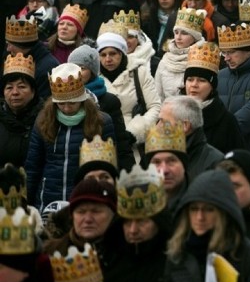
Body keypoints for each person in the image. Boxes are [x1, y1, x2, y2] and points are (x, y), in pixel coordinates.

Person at [25, 63, 115, 211]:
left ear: (82, 99)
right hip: (47, 200)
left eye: (72, 102)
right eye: (61, 103)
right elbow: (33, 167)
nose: (66, 108)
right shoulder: (43, 121)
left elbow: (110, 168)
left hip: (86, 198)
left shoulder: (102, 122)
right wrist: (27, 204)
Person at [161, 170, 250, 282]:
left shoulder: (249, 255)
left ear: (223, 212)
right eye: (194, 209)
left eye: (209, 209)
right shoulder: (177, 253)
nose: (200, 217)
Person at [104, 164, 171, 282]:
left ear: (159, 223)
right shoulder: (107, 261)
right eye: (127, 222)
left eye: (142, 221)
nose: (133, 230)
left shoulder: (174, 265)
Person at [97, 21, 161, 145]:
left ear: (122, 53)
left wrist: (134, 133)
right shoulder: (93, 76)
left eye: (113, 53)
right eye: (103, 55)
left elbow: (155, 107)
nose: (108, 59)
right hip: (100, 143)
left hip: (132, 143)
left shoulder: (140, 73)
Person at [182, 42, 245, 154]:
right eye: (190, 79)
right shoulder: (171, 113)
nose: (194, 85)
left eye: (202, 80)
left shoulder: (227, 122)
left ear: (212, 86)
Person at [158, 95, 224, 179]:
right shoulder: (157, 156)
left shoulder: (215, 164)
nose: (157, 127)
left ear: (184, 126)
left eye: (163, 122)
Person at [0, 53, 44, 167]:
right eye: (9, 87)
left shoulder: (45, 119)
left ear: (33, 91)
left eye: (21, 86)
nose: (15, 92)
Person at [154, 8, 205, 100]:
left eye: (184, 33)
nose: (178, 37)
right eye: (176, 32)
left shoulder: (204, 59)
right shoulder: (165, 60)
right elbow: (158, 95)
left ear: (195, 37)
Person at [142, 120, 189, 214]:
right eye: (156, 162)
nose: (164, 170)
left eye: (171, 161)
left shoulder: (196, 204)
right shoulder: (140, 205)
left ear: (183, 165)